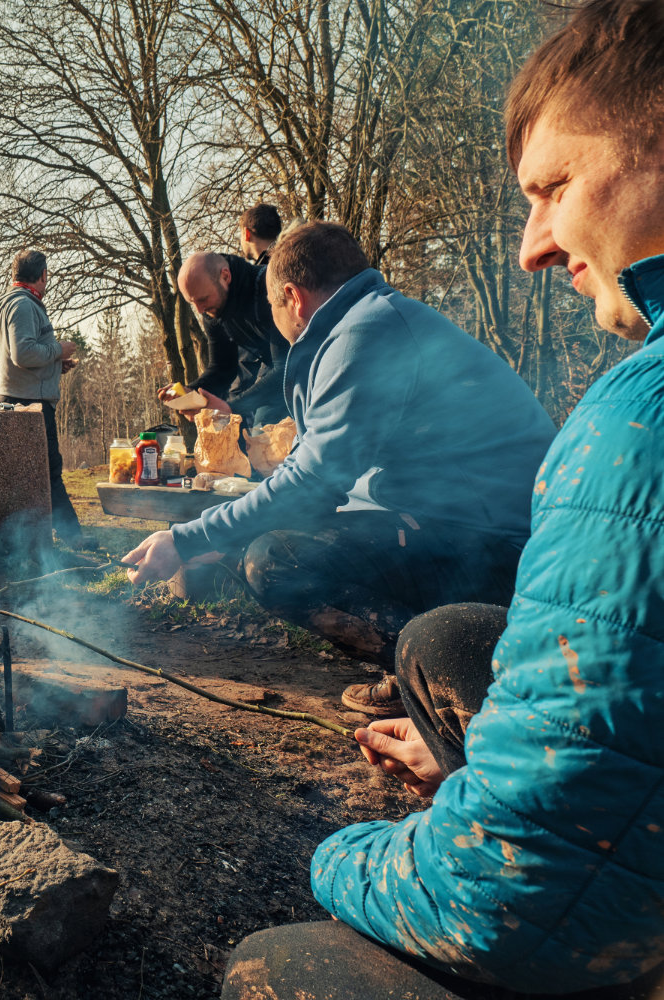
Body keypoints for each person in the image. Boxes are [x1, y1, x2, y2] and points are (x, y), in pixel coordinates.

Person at [222, 4, 664, 996]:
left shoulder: (642, 420)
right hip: (491, 553)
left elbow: (510, 900)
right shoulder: (386, 322)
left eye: (553, 185)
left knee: (269, 966)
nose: (532, 247)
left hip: (481, 539)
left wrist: (344, 852)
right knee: (442, 640)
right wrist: (484, 765)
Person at [125, 222, 555, 717]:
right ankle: (438, 668)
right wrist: (225, 535)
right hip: (464, 527)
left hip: (499, 550)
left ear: (292, 296)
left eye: (273, 307)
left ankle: (469, 673)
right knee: (269, 540)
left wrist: (187, 538)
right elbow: (336, 488)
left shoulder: (366, 334)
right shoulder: (371, 320)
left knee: (275, 561)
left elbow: (313, 482)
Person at [0, 247, 90, 548]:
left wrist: (55, 366)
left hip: (20, 397)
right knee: (50, 471)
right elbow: (23, 354)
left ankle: (23, 539)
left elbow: (23, 357)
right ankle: (72, 538)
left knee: (27, 475)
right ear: (43, 275)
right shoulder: (23, 305)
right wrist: (59, 350)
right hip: (29, 404)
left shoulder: (16, 303)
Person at [164, 251, 289, 427]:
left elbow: (286, 368)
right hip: (275, 375)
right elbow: (223, 368)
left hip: (305, 372)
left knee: (264, 431)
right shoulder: (211, 309)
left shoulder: (267, 289)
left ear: (225, 276)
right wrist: (191, 392)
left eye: (203, 299)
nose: (199, 310)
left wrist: (231, 407)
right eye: (193, 303)